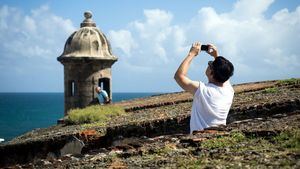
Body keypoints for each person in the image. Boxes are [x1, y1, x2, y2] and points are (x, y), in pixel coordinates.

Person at [174, 42, 234, 134]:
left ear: (211, 73)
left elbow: (179, 77)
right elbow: (224, 71)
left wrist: (191, 54)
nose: (208, 65)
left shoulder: (203, 90)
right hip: (219, 134)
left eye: (210, 64)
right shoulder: (229, 91)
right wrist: (216, 56)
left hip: (200, 135)